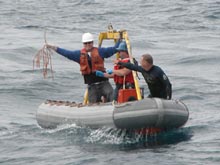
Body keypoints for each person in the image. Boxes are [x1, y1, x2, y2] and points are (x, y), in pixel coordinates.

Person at [46, 32, 121, 103]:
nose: (88, 45)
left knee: (112, 96)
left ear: (92, 42)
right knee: (92, 103)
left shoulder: (100, 51)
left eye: (89, 43)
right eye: (86, 43)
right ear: (83, 44)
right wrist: (53, 47)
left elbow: (114, 49)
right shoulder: (78, 55)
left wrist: (119, 38)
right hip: (92, 86)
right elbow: (66, 53)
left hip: (104, 83)